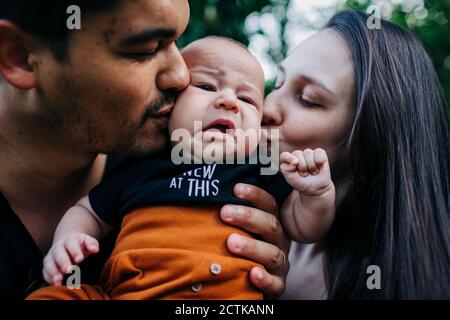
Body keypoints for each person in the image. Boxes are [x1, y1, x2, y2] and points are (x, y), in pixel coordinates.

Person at [0, 1, 289, 300]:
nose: (182, 76)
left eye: (177, 41)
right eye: (146, 49)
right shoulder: (131, 179)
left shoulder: (185, 150)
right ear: (22, 57)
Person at [27, 36, 335, 300]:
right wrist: (67, 239)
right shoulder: (142, 164)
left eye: (247, 99)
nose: (229, 101)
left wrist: (316, 194)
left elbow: (303, 227)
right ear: (169, 107)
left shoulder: (259, 167)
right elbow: (89, 212)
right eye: (205, 85)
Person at [263, 10, 450, 299]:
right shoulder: (256, 211)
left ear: (374, 132)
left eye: (307, 99)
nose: (266, 107)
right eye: (278, 84)